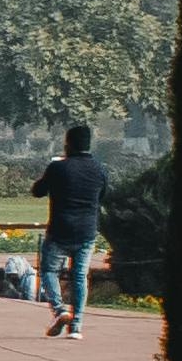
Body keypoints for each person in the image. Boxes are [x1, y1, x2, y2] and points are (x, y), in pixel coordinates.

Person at [30, 121, 115, 336]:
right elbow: (103, 195)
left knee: (49, 271)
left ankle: (59, 310)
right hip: (86, 230)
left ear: (68, 144)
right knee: (79, 276)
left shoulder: (58, 167)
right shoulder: (99, 170)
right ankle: (76, 326)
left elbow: (37, 191)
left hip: (60, 229)